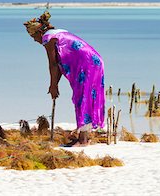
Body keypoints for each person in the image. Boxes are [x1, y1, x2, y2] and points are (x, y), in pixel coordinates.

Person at [24, 11, 105, 146]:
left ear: (38, 33)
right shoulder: (57, 33)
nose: (34, 40)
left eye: (33, 36)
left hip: (86, 64)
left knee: (83, 98)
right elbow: (60, 64)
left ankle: (83, 140)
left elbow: (53, 64)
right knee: (85, 96)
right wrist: (55, 84)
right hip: (94, 61)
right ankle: (84, 135)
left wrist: (53, 86)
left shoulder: (47, 39)